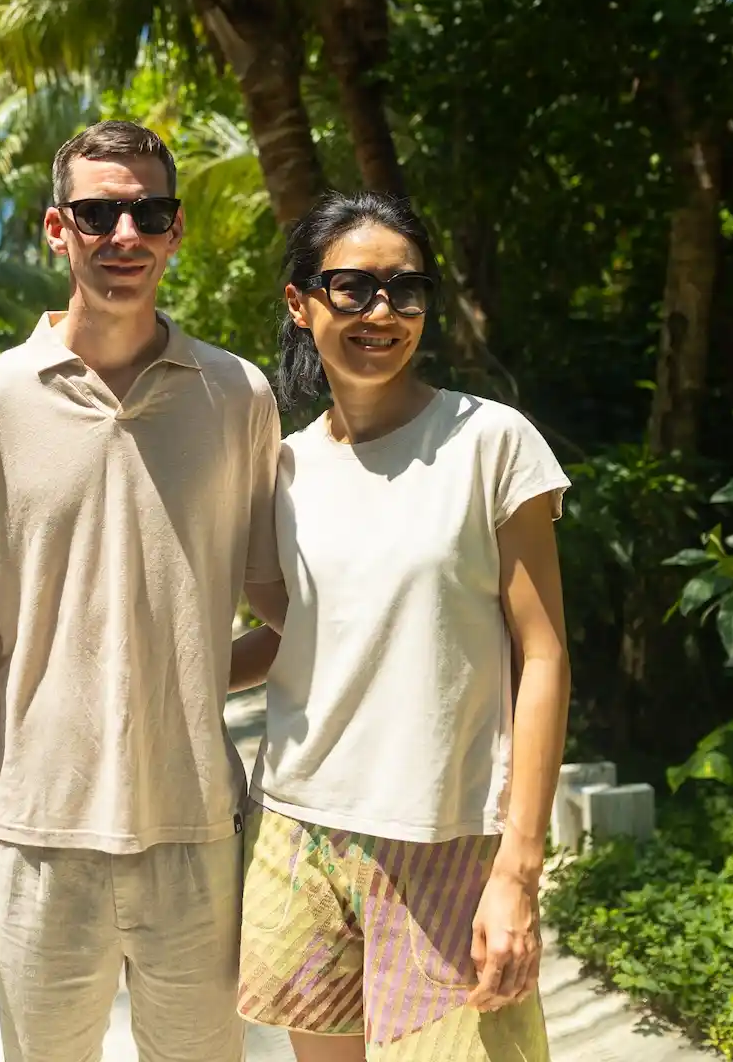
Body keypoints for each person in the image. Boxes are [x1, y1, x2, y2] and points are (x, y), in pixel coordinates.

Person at [0, 121, 284, 1062]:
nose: (124, 233)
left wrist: (193, 681)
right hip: (40, 836)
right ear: (56, 228)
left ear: (176, 229)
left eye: (148, 211)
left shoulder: (238, 396)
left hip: (198, 829)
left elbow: (286, 612)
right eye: (97, 211)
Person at [230, 191, 570, 1062]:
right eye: (353, 288)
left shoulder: (492, 442)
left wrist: (518, 873)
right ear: (300, 304)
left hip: (448, 841)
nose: (382, 312)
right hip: (301, 830)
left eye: (405, 290)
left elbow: (543, 656)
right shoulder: (286, 468)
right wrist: (156, 672)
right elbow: (303, 637)